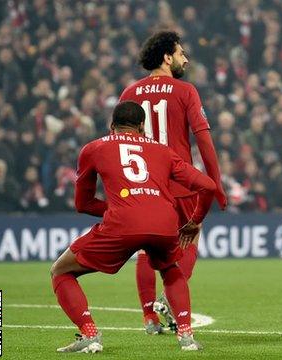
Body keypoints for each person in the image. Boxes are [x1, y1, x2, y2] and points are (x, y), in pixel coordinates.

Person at [50, 101, 216, 352]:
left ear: (111, 125)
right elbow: (208, 186)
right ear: (142, 126)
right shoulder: (163, 151)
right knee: (171, 269)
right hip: (164, 222)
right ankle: (186, 336)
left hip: (122, 224)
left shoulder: (93, 148)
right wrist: (194, 222)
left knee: (60, 270)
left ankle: (90, 334)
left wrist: (119, 209)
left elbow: (82, 204)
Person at [119, 31, 227, 333]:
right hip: (179, 182)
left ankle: (149, 317)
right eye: (181, 53)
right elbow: (203, 139)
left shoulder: (129, 93)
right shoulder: (185, 90)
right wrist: (215, 182)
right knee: (190, 237)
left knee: (145, 248)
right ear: (167, 57)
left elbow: (118, 144)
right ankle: (167, 299)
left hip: (144, 184)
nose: (186, 59)